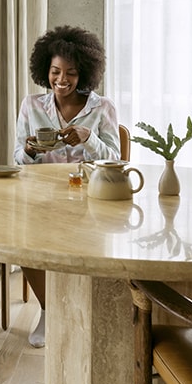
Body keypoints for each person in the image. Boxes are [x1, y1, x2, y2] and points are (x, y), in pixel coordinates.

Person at [14, 26, 121, 348]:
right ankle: (48, 310)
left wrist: (89, 139)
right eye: (55, 72)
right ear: (44, 70)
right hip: (41, 195)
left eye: (71, 73)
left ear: (84, 73)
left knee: (93, 248)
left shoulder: (102, 108)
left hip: (90, 195)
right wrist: (32, 150)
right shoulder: (31, 105)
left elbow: (116, 159)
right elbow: (18, 157)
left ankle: (88, 312)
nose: (62, 80)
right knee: (24, 244)